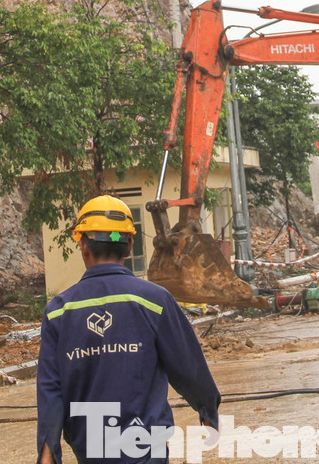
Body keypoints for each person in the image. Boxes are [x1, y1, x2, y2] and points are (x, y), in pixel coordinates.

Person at [37, 195, 220, 463]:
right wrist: (207, 409)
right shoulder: (154, 301)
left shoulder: (58, 312)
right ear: (129, 245)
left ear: (83, 245)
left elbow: (50, 390)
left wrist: (47, 453)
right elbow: (188, 364)